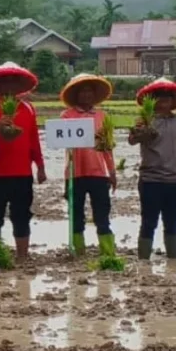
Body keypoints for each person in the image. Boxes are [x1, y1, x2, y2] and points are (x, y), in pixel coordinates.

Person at [0, 62, 46, 262]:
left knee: (21, 214)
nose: (10, 87)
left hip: (22, 172)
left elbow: (34, 139)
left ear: (20, 86)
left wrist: (40, 166)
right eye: (6, 83)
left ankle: (22, 256)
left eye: (14, 82)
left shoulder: (28, 108)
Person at [128, 78, 176, 260]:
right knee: (149, 222)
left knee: (172, 223)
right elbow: (132, 140)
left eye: (168, 97)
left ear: (173, 101)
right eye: (159, 97)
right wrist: (137, 130)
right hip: (151, 180)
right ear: (153, 100)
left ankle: (174, 261)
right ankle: (143, 262)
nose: (164, 100)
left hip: (175, 181)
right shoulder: (146, 122)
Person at [59, 73, 117, 256]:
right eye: (82, 92)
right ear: (76, 95)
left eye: (89, 91)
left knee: (102, 213)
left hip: (99, 172)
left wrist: (112, 171)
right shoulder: (67, 116)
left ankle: (107, 251)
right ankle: (78, 250)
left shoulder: (102, 116)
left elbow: (107, 147)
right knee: (76, 214)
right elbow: (61, 142)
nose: (85, 95)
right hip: (74, 172)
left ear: (94, 95)